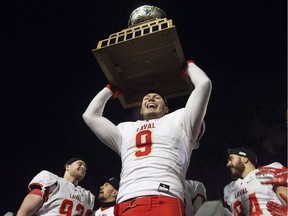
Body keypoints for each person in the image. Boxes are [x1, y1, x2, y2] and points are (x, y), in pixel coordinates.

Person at [83, 59, 212, 216]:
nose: (151, 98)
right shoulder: (125, 129)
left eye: (157, 97)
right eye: (146, 98)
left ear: (166, 109)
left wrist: (188, 65)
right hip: (125, 202)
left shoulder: (181, 119)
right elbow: (90, 116)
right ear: (141, 110)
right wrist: (109, 89)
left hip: (164, 197)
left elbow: (204, 84)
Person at [16, 158, 95, 216]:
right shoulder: (51, 179)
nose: (83, 167)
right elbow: (26, 210)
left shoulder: (88, 196)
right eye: (80, 164)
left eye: (85, 167)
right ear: (67, 167)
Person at [224, 146, 287, 215]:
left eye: (231, 159)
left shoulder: (267, 172)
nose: (228, 164)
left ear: (245, 159)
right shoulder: (229, 188)